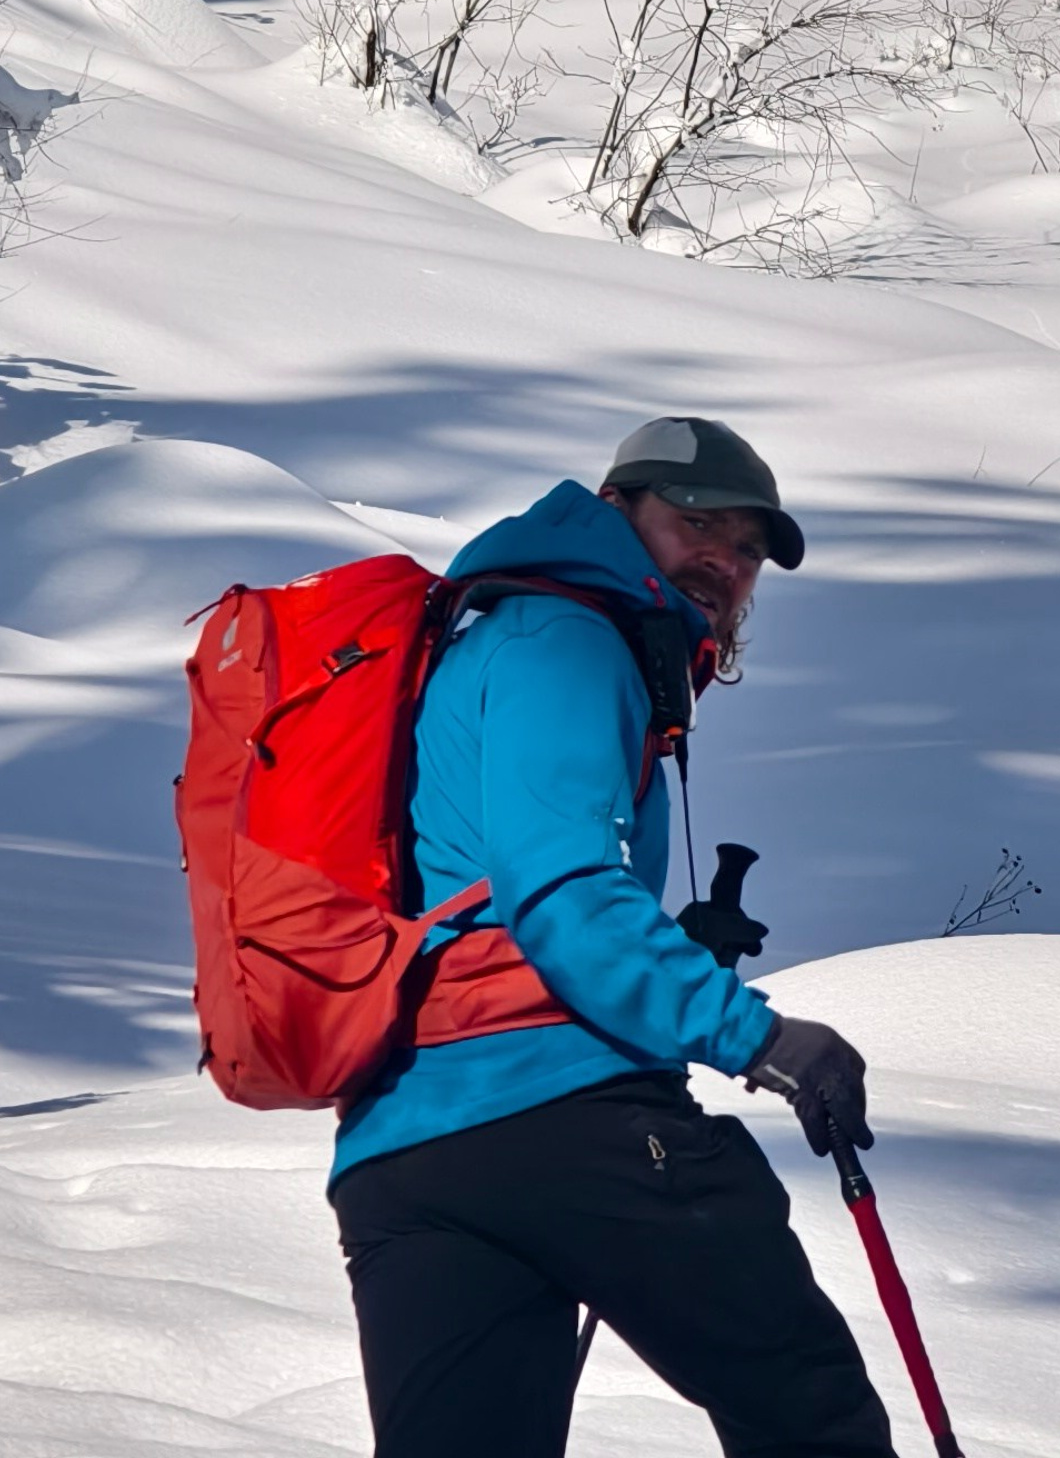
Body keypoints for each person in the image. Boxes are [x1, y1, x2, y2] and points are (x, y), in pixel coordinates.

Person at [330, 416, 895, 1458]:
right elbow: (561, 897)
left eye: (746, 551)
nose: (722, 562)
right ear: (616, 510)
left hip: (406, 1145)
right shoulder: (567, 639)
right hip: (556, 1108)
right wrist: (758, 1037)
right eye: (695, 525)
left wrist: (669, 944)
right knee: (808, 1407)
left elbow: (494, 891)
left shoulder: (500, 630)